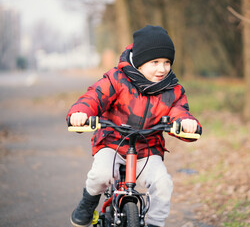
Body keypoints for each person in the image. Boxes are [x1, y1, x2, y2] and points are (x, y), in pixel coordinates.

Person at [67, 25, 201, 227]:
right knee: (100, 176)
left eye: (166, 62)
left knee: (163, 184)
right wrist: (81, 113)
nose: (162, 68)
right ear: (139, 62)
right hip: (112, 144)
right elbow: (93, 97)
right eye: (155, 62)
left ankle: (155, 223)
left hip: (147, 150)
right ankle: (88, 202)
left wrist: (185, 123)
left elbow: (178, 111)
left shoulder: (172, 90)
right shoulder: (116, 80)